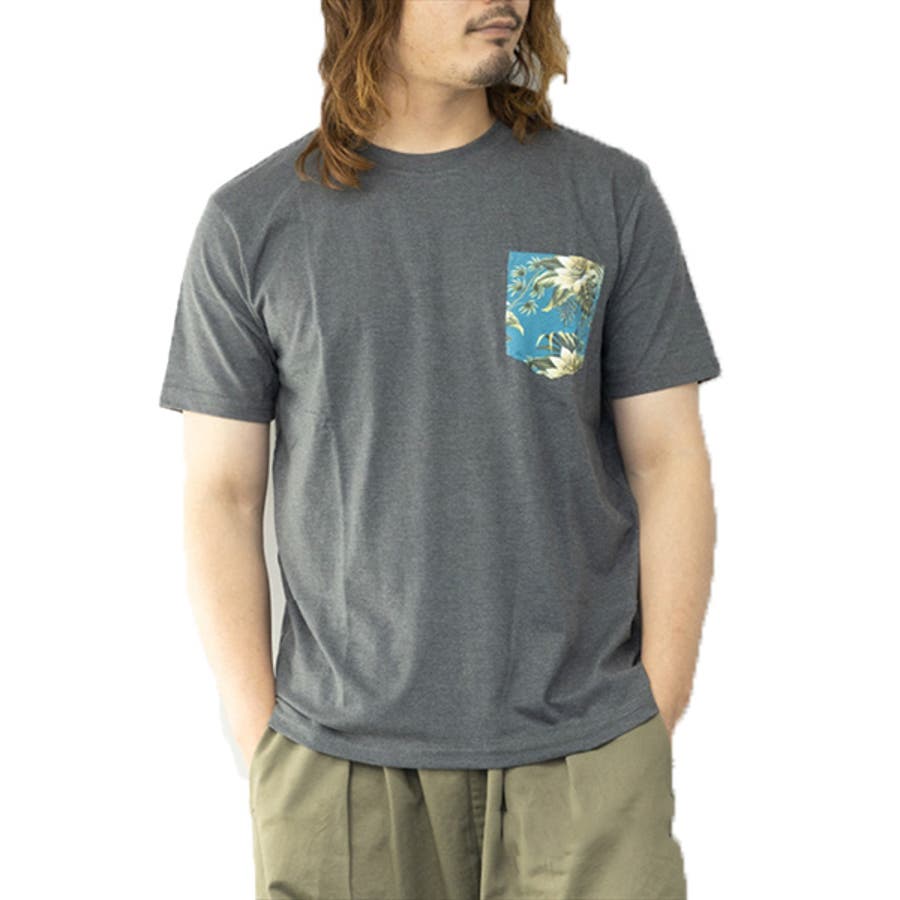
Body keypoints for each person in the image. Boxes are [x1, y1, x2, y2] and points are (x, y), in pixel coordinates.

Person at [158, 1, 721, 897]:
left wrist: (659, 703)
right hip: (340, 770)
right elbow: (222, 495)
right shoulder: (254, 222)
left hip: (586, 756)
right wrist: (261, 732)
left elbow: (668, 461)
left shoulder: (604, 195)